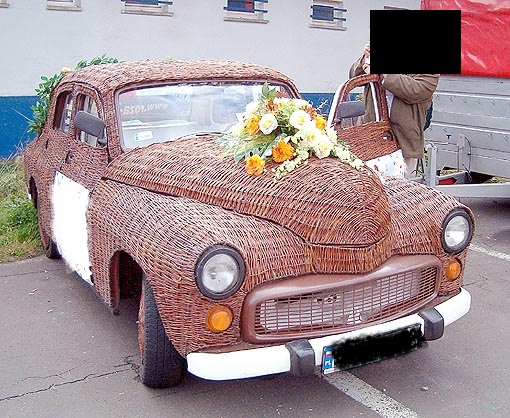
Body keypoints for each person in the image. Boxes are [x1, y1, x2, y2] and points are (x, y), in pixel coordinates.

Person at [349, 42, 439, 178]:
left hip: (404, 139)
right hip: (371, 136)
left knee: (401, 187)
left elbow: (417, 90)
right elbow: (353, 76)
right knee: (369, 183)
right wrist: (365, 58)